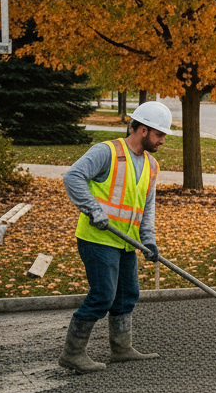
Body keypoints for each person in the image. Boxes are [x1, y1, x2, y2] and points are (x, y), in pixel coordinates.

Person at [60, 100, 171, 373]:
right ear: (143, 130)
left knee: (127, 295)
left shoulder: (151, 165)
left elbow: (147, 206)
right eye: (159, 135)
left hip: (125, 241)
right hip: (98, 239)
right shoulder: (106, 152)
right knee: (103, 296)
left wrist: (149, 240)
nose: (162, 141)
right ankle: (72, 353)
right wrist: (93, 210)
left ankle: (121, 349)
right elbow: (73, 177)